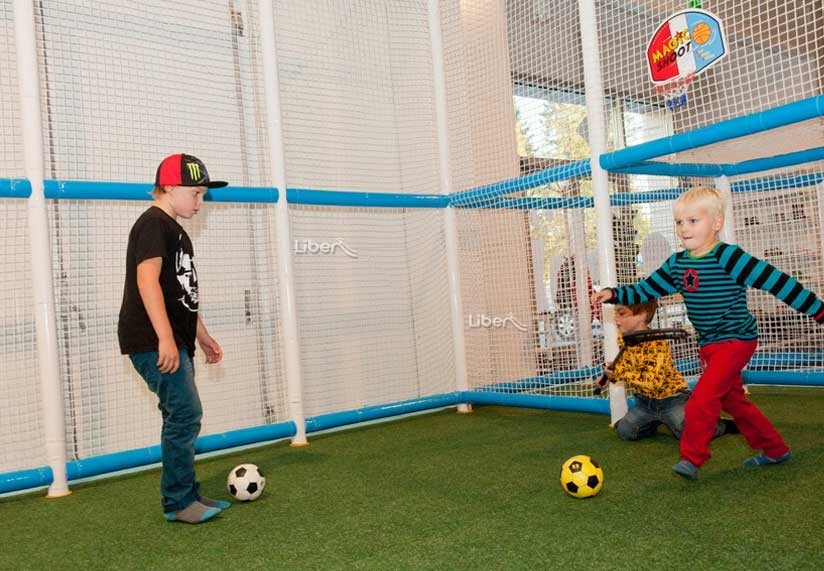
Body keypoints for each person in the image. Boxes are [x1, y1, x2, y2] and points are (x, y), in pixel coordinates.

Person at [592, 186, 824, 480]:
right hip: (709, 345)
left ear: (716, 223)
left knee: (702, 398)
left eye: (693, 221)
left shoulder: (730, 258)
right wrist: (613, 293)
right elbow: (645, 289)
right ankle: (775, 450)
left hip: (737, 340)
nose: (684, 229)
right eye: (679, 222)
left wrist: (818, 310)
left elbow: (776, 282)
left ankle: (692, 458)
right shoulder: (677, 264)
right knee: (733, 401)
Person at [118, 153, 229, 522]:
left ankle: (188, 494)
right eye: (195, 194)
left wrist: (202, 334)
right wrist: (165, 339)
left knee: (182, 414)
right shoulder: (153, 225)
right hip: (151, 340)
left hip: (174, 339)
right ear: (168, 187)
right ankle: (178, 502)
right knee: (185, 413)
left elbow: (181, 293)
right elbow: (147, 280)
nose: (200, 203)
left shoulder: (177, 231)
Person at [605, 299, 734, 441]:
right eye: (615, 313)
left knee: (689, 434)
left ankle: (719, 424)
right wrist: (613, 375)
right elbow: (627, 363)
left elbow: (654, 382)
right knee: (626, 432)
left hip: (672, 399)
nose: (616, 318)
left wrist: (620, 373)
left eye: (622, 313)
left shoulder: (657, 343)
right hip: (645, 402)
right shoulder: (623, 338)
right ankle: (655, 421)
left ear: (642, 315)